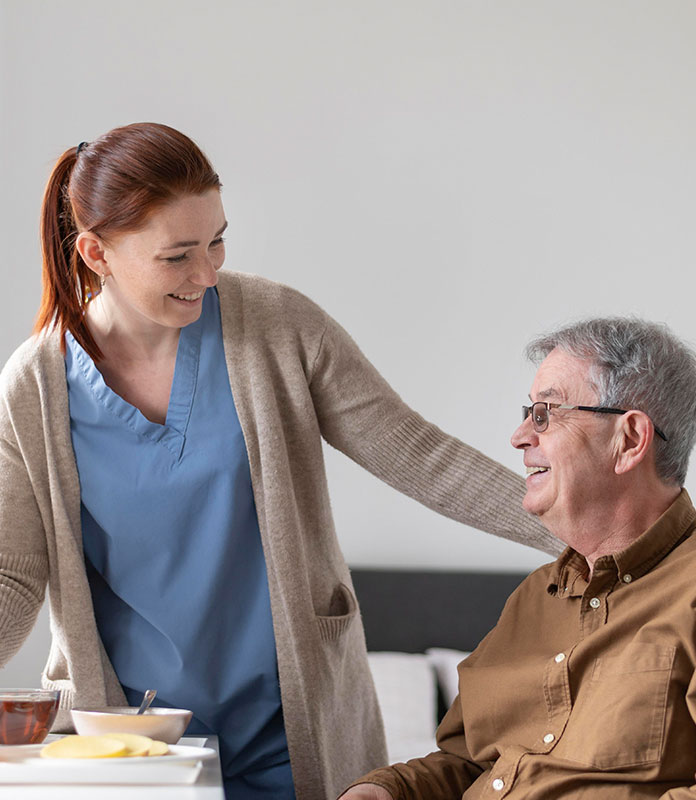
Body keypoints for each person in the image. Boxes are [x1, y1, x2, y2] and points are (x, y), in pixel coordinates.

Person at [0, 122, 558, 800]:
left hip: (292, 733)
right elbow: (13, 574)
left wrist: (584, 526)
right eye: (178, 256)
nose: (207, 274)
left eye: (217, 241)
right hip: (136, 747)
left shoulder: (276, 325)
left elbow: (418, 455)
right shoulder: (34, 386)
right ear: (95, 253)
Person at [342, 317, 696, 800]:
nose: (519, 436)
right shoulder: (534, 598)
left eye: (545, 414)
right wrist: (384, 791)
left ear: (630, 440)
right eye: (529, 412)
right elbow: (467, 762)